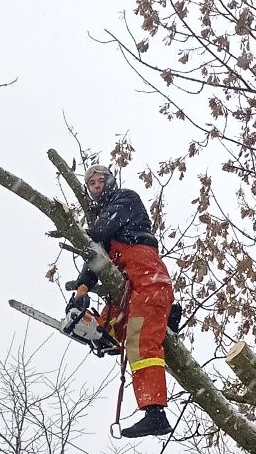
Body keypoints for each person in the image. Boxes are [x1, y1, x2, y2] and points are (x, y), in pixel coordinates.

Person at [64, 159, 175, 438]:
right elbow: (95, 258)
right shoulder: (104, 223)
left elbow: (98, 235)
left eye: (101, 180)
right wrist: (81, 292)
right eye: (91, 183)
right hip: (129, 288)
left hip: (147, 279)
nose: (97, 186)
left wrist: (72, 229)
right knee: (111, 329)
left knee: (140, 341)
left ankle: (155, 413)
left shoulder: (125, 199)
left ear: (110, 181)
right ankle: (98, 334)